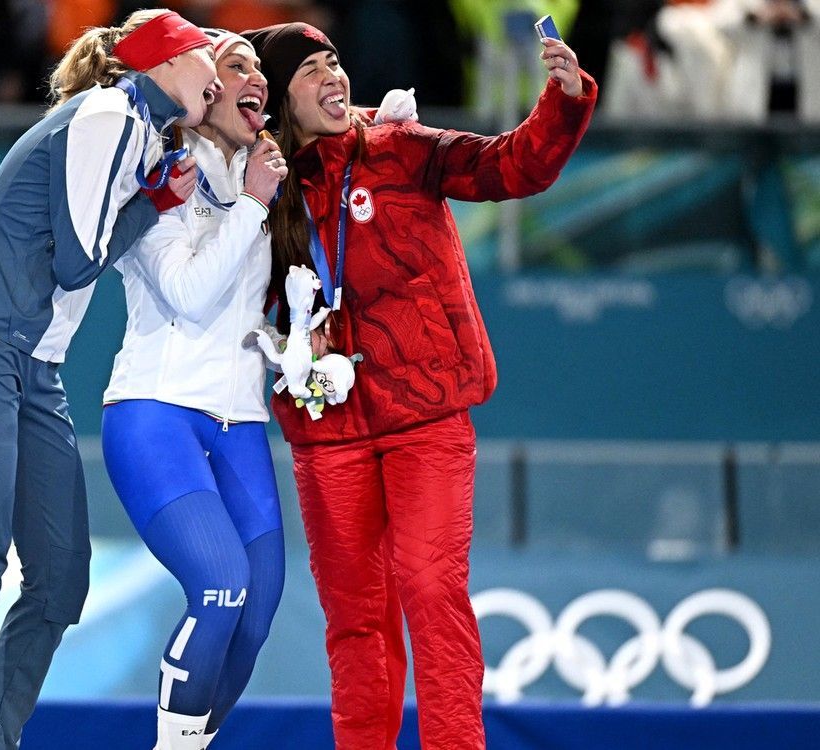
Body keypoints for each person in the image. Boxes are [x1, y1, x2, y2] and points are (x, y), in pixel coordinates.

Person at [242, 21, 597, 750]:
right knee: (356, 621)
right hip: (326, 428)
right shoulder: (259, 185)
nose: (333, 76)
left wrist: (561, 102)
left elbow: (508, 168)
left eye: (334, 60)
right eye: (310, 70)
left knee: (433, 596)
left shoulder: (400, 148)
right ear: (281, 97)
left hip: (425, 418)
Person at [0, 10, 221, 749]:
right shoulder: (108, 112)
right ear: (167, 61)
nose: (215, 71)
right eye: (207, 56)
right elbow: (79, 261)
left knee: (61, 577)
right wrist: (155, 204)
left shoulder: (143, 132)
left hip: (32, 365)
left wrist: (160, 195)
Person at [100, 29, 288, 750]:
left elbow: (246, 304)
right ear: (199, 89)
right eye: (234, 65)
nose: (255, 79)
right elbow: (184, 294)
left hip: (240, 421)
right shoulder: (157, 168)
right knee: (220, 586)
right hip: (157, 413)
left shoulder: (259, 173)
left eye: (258, 70)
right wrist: (251, 205)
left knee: (259, 608)